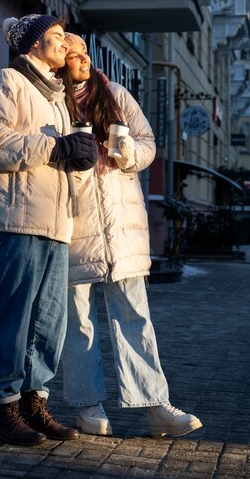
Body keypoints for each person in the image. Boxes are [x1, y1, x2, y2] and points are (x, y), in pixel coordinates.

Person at [58, 32, 203, 438]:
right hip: (74, 226)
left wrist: (126, 154)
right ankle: (88, 407)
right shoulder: (52, 101)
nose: (82, 59)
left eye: (84, 52)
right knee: (78, 323)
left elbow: (148, 144)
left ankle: (155, 406)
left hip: (123, 229)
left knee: (135, 318)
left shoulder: (116, 93)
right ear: (59, 62)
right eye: (72, 55)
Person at [0, 15, 98, 446]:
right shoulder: (6, 82)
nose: (65, 45)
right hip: (15, 218)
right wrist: (56, 147)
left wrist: (77, 161)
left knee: (48, 324)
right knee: (13, 315)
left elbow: (58, 163)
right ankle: (2, 411)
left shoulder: (59, 100)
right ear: (33, 43)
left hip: (55, 222)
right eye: (58, 38)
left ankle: (33, 404)